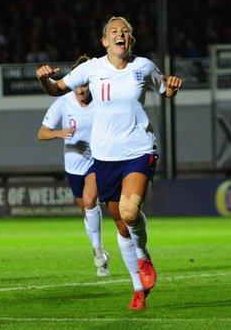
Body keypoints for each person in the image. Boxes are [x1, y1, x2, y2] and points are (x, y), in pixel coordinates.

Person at [36, 16, 182, 310]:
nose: (120, 35)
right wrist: (43, 78)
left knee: (129, 212)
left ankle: (144, 257)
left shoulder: (143, 67)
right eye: (114, 31)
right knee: (119, 220)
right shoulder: (91, 69)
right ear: (105, 42)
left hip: (140, 149)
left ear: (131, 40)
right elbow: (56, 89)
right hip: (104, 156)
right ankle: (137, 287)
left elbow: (164, 89)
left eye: (126, 31)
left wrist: (173, 87)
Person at [37, 54, 111, 277]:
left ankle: (98, 252)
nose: (81, 89)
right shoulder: (62, 103)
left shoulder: (100, 101)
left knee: (90, 202)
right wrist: (60, 133)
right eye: (78, 84)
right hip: (73, 168)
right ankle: (99, 253)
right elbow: (41, 133)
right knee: (87, 212)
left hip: (96, 163)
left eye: (85, 84)